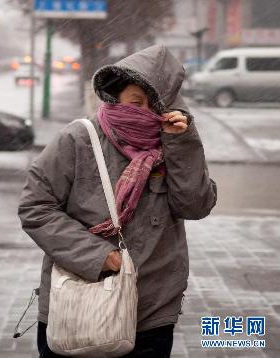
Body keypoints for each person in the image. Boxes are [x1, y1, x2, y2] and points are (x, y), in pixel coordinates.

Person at [18, 44, 217, 358]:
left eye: (156, 106)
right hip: (81, 303)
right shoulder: (78, 139)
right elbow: (36, 207)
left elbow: (195, 205)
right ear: (115, 96)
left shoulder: (174, 144)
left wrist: (183, 143)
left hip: (150, 311)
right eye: (135, 102)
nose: (146, 114)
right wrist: (100, 258)